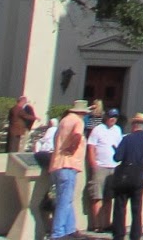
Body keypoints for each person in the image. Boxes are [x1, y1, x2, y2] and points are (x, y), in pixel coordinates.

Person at [110, 112, 143, 240]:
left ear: (134, 126)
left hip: (125, 174)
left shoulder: (127, 139)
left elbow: (117, 157)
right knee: (137, 208)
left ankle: (119, 234)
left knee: (120, 206)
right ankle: (135, 235)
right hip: (139, 174)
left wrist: (117, 150)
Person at [49, 100, 89, 240]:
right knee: (64, 201)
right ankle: (57, 233)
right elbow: (77, 136)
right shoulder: (78, 122)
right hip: (68, 164)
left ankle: (70, 229)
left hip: (57, 164)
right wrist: (72, 148)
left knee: (66, 199)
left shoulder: (64, 120)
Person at [86, 107, 124, 231]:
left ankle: (106, 223)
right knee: (97, 196)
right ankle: (97, 225)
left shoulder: (117, 130)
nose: (113, 119)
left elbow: (120, 147)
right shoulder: (98, 129)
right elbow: (91, 147)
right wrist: (93, 163)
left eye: (115, 117)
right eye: (111, 117)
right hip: (100, 166)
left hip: (113, 167)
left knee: (109, 198)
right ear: (106, 117)